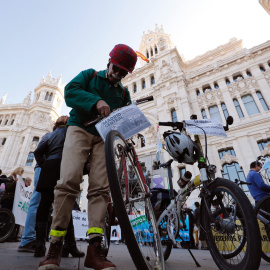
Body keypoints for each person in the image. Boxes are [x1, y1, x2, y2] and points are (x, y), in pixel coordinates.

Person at [38, 44, 137, 270]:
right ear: (109, 62)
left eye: (123, 72)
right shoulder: (89, 75)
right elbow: (71, 91)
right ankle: (54, 248)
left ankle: (95, 249)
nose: (118, 75)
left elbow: (124, 117)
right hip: (79, 130)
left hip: (104, 138)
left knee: (100, 188)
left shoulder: (123, 94)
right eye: (117, 69)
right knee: (68, 181)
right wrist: (96, 102)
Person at [34, 116, 84, 259]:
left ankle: (39, 245)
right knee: (65, 206)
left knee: (43, 205)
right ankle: (69, 245)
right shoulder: (71, 132)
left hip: (48, 168)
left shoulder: (50, 135)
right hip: (64, 167)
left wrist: (45, 164)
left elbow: (37, 152)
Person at [18, 133, 50, 252]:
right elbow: (37, 152)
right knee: (36, 202)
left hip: (44, 169)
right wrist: (45, 165)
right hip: (44, 169)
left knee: (39, 203)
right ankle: (27, 240)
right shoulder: (50, 135)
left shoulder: (50, 136)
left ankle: (30, 239)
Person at [1, 167, 24, 242]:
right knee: (4, 217)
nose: (21, 175)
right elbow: (8, 187)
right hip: (7, 200)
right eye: (20, 173)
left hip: (12, 201)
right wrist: (15, 182)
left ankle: (5, 236)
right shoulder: (10, 178)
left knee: (8, 219)